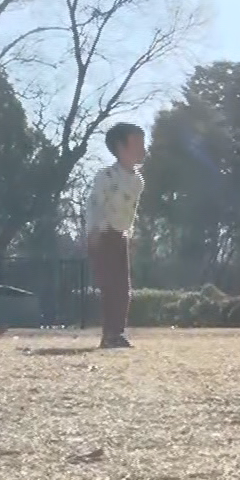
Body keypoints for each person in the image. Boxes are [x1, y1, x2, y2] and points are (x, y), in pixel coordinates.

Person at [82, 123, 145, 350]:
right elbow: (96, 205)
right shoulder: (106, 176)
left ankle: (118, 331)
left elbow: (131, 211)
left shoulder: (137, 181)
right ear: (120, 147)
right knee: (111, 286)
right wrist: (94, 232)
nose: (143, 149)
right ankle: (109, 333)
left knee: (124, 286)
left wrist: (131, 233)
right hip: (103, 234)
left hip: (120, 236)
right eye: (137, 144)